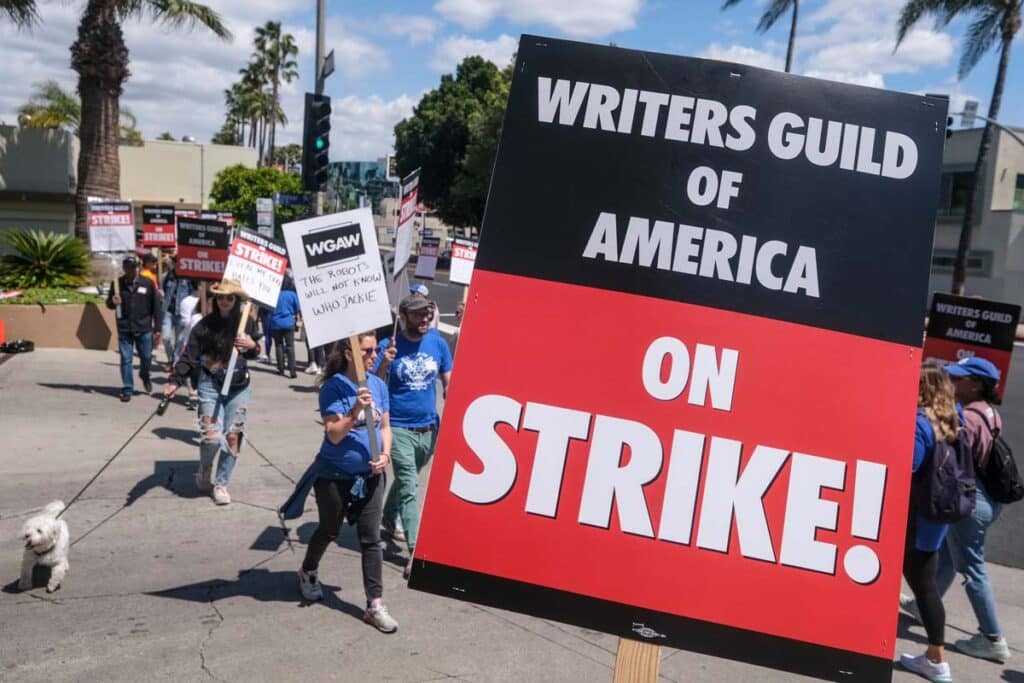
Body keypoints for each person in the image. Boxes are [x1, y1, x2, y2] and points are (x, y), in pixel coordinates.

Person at [279, 334, 398, 633]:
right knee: (329, 529)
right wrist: (356, 409)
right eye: (367, 350)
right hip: (333, 475)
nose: (374, 355)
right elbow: (333, 433)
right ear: (349, 354)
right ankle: (307, 571)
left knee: (371, 538)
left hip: (370, 476)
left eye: (376, 350)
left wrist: (385, 454)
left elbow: (385, 426)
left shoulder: (379, 385)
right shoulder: (331, 387)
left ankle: (375, 604)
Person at [375, 295, 452, 579]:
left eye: (427, 314)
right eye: (418, 315)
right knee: (409, 484)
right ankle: (415, 551)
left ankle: (387, 514)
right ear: (403, 316)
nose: (424, 319)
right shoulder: (389, 345)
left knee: (408, 478)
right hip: (397, 427)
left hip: (429, 428)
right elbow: (375, 382)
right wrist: (385, 362)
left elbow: (447, 377)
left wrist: (452, 395)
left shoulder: (437, 343)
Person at [938, 357, 1010, 663]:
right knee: (945, 551)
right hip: (987, 500)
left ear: (976, 385)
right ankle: (925, 602)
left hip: (970, 502)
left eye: (959, 379)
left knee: (972, 568)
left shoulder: (967, 417)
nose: (953, 383)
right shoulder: (990, 413)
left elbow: (950, 459)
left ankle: (993, 638)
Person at [164, 279, 260, 505]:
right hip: (210, 384)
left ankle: (221, 483)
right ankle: (205, 468)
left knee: (233, 435)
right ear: (215, 300)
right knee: (211, 437)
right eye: (220, 297)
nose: (224, 301)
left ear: (236, 300)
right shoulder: (204, 325)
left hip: (238, 386)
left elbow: (255, 353)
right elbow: (189, 355)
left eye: (229, 297)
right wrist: (174, 381)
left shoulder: (247, 323)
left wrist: (251, 345)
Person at [899, 363, 959, 683]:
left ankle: (937, 659)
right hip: (937, 519)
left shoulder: (921, 424)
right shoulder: (953, 419)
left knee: (924, 587)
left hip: (915, 520)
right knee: (926, 585)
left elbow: (906, 467)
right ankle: (935, 657)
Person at [106, 257, 163, 402]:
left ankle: (144, 375)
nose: (131, 270)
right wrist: (113, 302)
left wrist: (158, 328)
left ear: (137, 267)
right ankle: (127, 388)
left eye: (133, 267)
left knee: (146, 357)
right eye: (128, 267)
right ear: (124, 268)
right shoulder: (117, 284)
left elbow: (156, 307)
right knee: (126, 358)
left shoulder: (147, 283)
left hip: (144, 327)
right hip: (125, 327)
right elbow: (109, 304)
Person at [160, 255, 194, 369]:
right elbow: (161, 290)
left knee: (180, 341)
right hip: (168, 311)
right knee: (166, 337)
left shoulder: (188, 278)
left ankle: (175, 363)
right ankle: (170, 359)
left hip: (182, 312)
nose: (176, 264)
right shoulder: (166, 277)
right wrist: (161, 295)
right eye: (175, 262)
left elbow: (192, 294)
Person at [268, 276, 301, 379]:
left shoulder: (273, 294)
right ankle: (292, 370)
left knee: (278, 345)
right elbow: (297, 309)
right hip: (289, 322)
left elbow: (269, 308)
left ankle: (281, 369)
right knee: (290, 346)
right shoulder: (292, 295)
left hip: (276, 323)